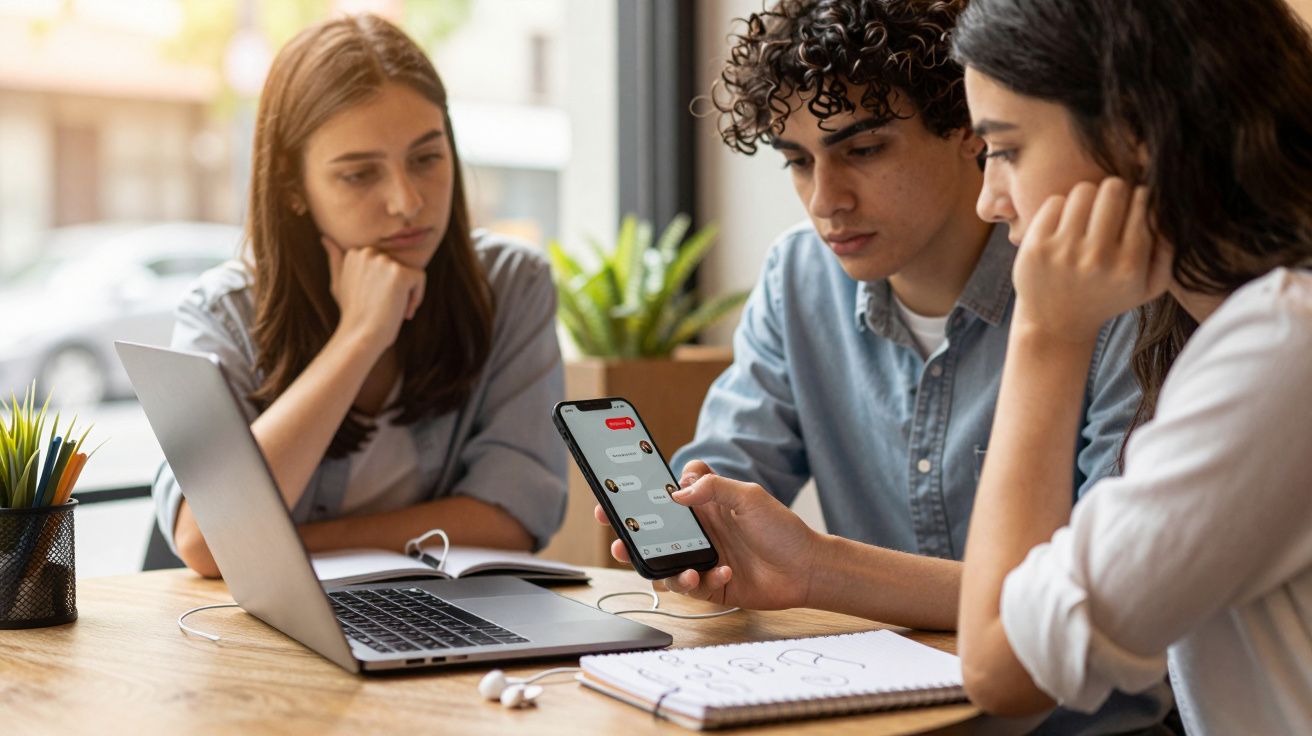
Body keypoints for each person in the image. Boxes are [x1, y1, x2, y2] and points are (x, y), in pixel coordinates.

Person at [599, 1, 1169, 731]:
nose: (825, 201)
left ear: (970, 129)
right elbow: (728, 473)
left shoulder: (1104, 289)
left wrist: (822, 566)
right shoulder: (799, 276)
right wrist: (697, 524)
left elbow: (1101, 602)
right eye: (798, 161)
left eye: (863, 150)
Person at [946, 0, 1312, 732]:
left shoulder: (1283, 346)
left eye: (1008, 149)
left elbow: (999, 667)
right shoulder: (1229, 327)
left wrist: (1046, 335)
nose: (988, 200)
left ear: (1138, 134)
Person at [153, 15, 567, 578]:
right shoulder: (223, 312)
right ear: (294, 186)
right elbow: (207, 542)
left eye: (426, 158)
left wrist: (288, 542)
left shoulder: (511, 285)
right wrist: (360, 337)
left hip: (437, 623)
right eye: (358, 175)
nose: (407, 201)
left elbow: (513, 517)